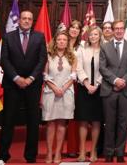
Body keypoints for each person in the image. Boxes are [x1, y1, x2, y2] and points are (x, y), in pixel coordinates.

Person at [0, 10, 47, 163]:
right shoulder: (8, 36)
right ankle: (3, 154)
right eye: (24, 18)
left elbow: (42, 59)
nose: (26, 21)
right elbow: (4, 60)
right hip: (12, 84)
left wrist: (31, 78)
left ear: (32, 21)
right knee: (8, 120)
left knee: (33, 121)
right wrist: (17, 78)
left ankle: (30, 155)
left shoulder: (39, 37)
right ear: (19, 20)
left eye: (29, 19)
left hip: (33, 85)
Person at [99, 19, 127, 162]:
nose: (119, 31)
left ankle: (120, 152)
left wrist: (123, 81)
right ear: (112, 30)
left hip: (126, 89)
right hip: (109, 89)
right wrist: (115, 80)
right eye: (116, 28)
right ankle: (109, 153)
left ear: (124, 30)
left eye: (121, 28)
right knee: (109, 123)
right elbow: (102, 67)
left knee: (123, 123)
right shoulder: (104, 47)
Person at [42, 32, 77, 163]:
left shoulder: (72, 56)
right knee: (50, 123)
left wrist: (63, 88)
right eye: (59, 39)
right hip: (50, 92)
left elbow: (73, 76)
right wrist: (54, 87)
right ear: (55, 41)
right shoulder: (48, 56)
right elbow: (44, 75)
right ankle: (49, 153)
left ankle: (58, 153)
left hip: (66, 93)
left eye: (64, 40)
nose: (62, 41)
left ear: (67, 42)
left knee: (62, 123)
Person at [75, 26, 104, 162]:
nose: (93, 36)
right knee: (83, 121)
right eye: (91, 34)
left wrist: (96, 85)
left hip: (99, 89)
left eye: (95, 34)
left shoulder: (104, 50)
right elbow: (78, 67)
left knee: (97, 121)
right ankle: (81, 151)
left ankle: (93, 151)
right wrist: (87, 84)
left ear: (100, 35)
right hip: (83, 88)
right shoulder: (81, 49)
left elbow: (105, 69)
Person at [66, 20, 84, 158]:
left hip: (76, 84)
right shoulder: (61, 41)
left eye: (77, 28)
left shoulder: (82, 45)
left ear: (80, 31)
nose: (74, 30)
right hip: (59, 83)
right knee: (58, 117)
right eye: (72, 27)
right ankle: (55, 149)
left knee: (74, 117)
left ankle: (73, 148)